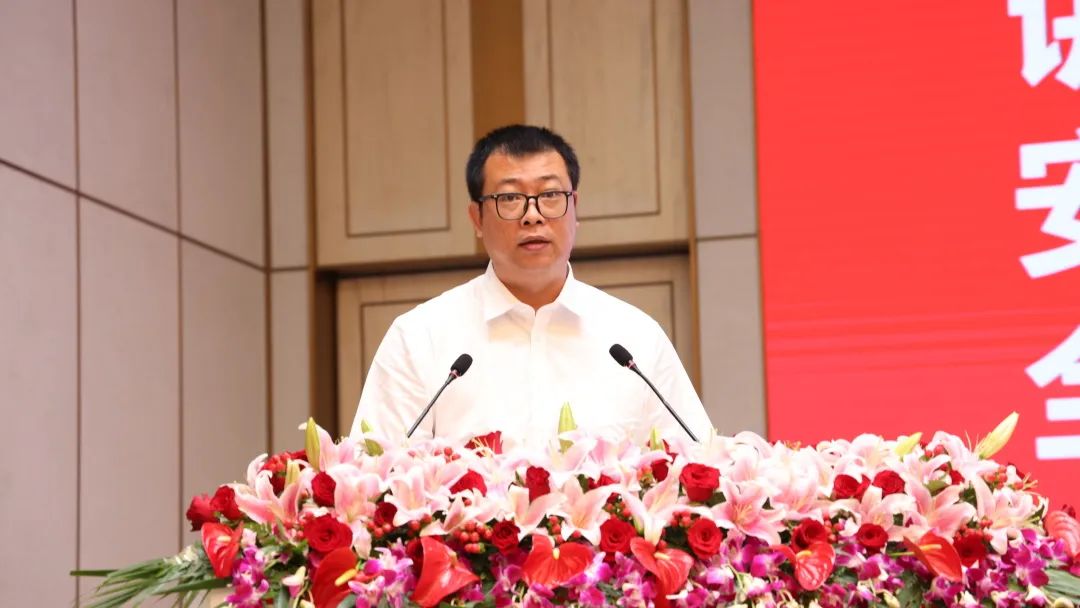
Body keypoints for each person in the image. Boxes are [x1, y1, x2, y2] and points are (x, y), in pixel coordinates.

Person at [349, 125, 713, 448]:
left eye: (550, 195)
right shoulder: (419, 338)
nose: (533, 215)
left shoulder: (635, 340)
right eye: (509, 198)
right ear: (477, 218)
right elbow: (376, 477)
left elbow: (698, 465)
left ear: (575, 208)